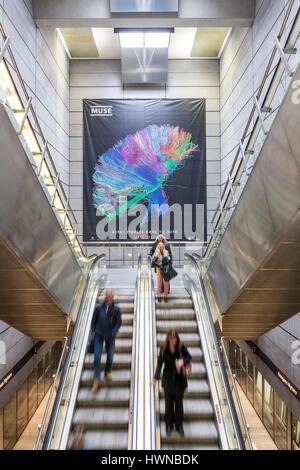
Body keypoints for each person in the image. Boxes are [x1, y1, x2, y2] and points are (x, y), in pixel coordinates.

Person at [153, 330, 192, 437]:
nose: (173, 340)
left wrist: (182, 361)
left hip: (179, 380)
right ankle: (169, 425)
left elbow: (189, 357)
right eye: (171, 338)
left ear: (177, 339)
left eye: (175, 338)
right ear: (168, 338)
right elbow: (160, 363)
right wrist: (156, 377)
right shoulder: (163, 348)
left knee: (179, 404)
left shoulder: (181, 347)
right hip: (168, 380)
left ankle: (179, 426)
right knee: (168, 404)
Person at [91, 289, 121, 392]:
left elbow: (118, 323)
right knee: (97, 356)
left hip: (110, 337)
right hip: (99, 335)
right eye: (108, 297)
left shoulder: (116, 310)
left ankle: (107, 371)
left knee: (110, 356)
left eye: (111, 297)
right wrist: (93, 331)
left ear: (113, 298)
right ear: (105, 297)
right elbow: (93, 320)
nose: (109, 299)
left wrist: (113, 333)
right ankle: (96, 378)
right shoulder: (99, 308)